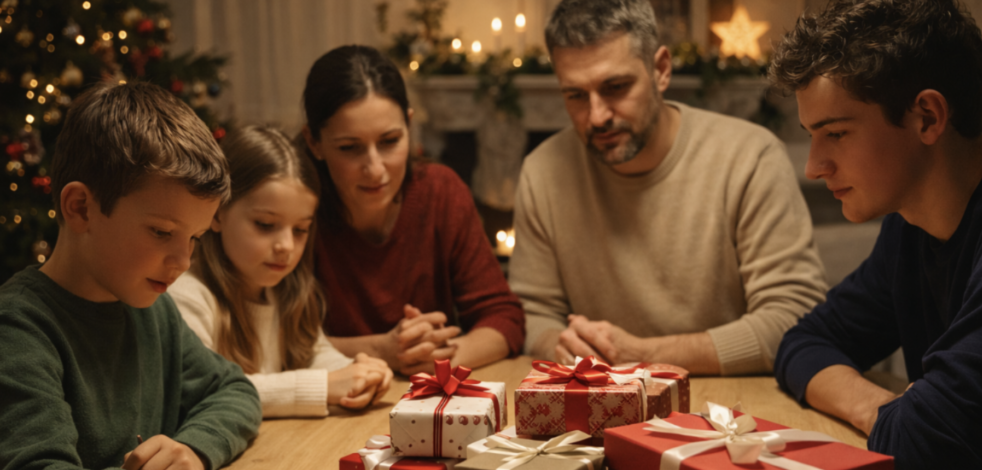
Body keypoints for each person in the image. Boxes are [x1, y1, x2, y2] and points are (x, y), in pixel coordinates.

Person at [769, 0, 982, 470]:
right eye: (812, 137)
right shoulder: (911, 225)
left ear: (928, 117)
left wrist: (904, 422)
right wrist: (879, 404)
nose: (813, 167)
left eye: (836, 133)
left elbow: (925, 448)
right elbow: (802, 344)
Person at [0, 82, 289, 470]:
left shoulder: (150, 309)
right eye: (162, 232)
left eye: (195, 238)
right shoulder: (18, 328)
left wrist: (194, 450)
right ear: (81, 208)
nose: (183, 262)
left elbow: (234, 390)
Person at [508, 0, 828, 374]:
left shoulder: (749, 157)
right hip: (598, 398)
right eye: (575, 95)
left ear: (660, 70)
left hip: (736, 406)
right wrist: (559, 343)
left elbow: (794, 316)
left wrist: (641, 354)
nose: (597, 116)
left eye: (616, 87)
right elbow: (530, 313)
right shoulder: (543, 171)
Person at [301, 45, 525, 376]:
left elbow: (504, 318)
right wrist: (382, 350)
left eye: (390, 141)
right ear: (314, 143)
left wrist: (439, 356)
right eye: (350, 148)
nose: (375, 169)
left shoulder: (440, 192)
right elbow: (273, 343)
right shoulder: (296, 204)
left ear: (409, 125)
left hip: (426, 397)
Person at [169, 125, 392, 418]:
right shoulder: (186, 297)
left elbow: (315, 355)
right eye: (265, 224)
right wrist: (324, 385)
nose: (286, 245)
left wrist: (359, 373)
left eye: (300, 229)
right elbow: (208, 392)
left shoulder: (288, 290)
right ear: (218, 213)